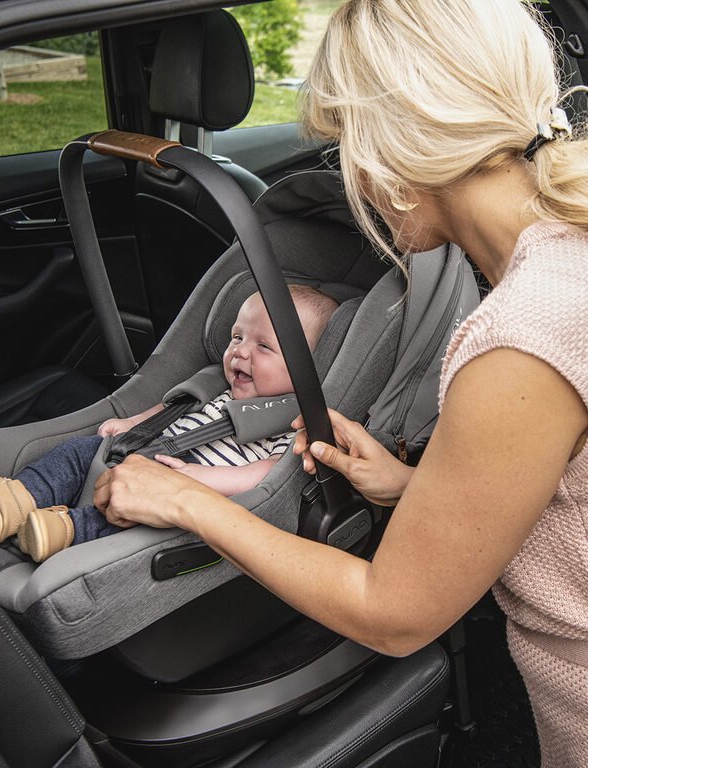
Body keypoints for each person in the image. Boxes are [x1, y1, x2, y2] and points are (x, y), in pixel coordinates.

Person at [91, 2, 588, 767]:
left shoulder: (520, 340)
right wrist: (414, 485)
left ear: (394, 147)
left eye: (346, 141)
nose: (349, 171)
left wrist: (184, 499)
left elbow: (395, 615)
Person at [0, 286, 339, 562]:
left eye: (264, 346)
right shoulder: (220, 389)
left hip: (182, 491)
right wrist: (134, 422)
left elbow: (270, 473)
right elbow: (172, 409)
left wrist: (200, 479)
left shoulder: (291, 424)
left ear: (309, 368)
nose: (239, 351)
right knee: (77, 453)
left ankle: (63, 530)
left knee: (126, 521)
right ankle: (18, 498)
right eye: (237, 337)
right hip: (143, 451)